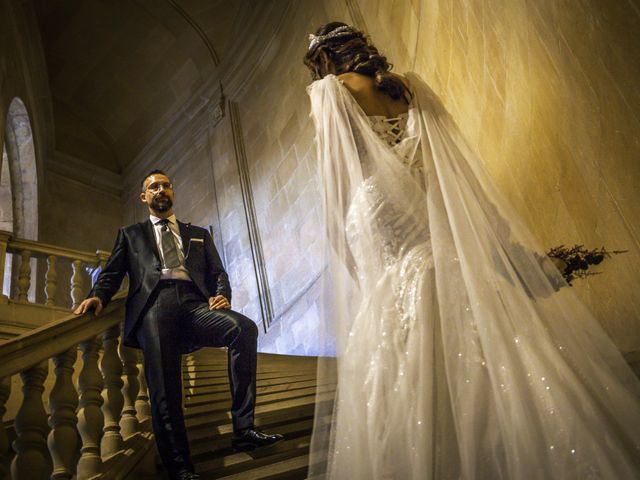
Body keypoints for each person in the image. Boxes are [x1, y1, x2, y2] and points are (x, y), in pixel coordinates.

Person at [304, 22, 640, 480]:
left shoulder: (330, 91)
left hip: (377, 208)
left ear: (324, 59)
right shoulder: (407, 86)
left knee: (399, 346)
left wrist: (369, 283)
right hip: (430, 218)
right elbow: (463, 184)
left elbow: (336, 188)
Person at [74, 170, 283, 480]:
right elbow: (112, 272)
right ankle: (181, 470)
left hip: (195, 305)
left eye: (166, 185)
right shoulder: (131, 235)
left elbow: (218, 273)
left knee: (244, 329)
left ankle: (243, 429)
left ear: (172, 192)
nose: (161, 190)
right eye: (153, 187)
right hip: (154, 307)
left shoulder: (197, 233)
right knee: (165, 390)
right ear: (144, 197)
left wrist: (221, 295)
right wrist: (97, 297)